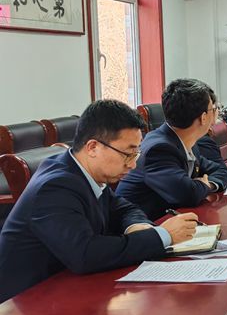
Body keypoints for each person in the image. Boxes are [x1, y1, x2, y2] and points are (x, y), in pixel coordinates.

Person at [0, 100, 198, 303]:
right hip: (26, 304)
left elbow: (123, 208)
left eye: (136, 153)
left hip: (67, 289)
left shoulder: (83, 172)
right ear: (93, 147)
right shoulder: (55, 187)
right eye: (128, 154)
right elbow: (86, 254)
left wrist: (136, 226)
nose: (133, 164)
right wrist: (163, 235)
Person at [117, 79, 227, 220]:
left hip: (171, 221)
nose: (215, 114)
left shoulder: (186, 141)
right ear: (203, 118)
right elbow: (188, 194)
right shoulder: (159, 149)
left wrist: (208, 184)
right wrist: (202, 185)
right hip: (144, 226)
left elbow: (223, 171)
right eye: (212, 110)